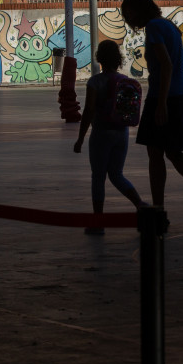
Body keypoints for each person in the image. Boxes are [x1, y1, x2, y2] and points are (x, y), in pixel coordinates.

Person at [119, 0, 183, 226]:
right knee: (172, 152)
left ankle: (159, 209)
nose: (126, 18)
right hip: (180, 95)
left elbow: (166, 65)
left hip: (165, 97)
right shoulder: (168, 26)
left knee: (155, 154)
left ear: (135, 10)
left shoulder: (154, 27)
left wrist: (161, 102)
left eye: (127, 13)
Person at [73, 40, 146, 235]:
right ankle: (140, 204)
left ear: (99, 59)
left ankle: (98, 222)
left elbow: (88, 110)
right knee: (116, 174)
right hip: (121, 133)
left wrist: (80, 138)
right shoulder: (124, 80)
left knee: (98, 177)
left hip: (101, 134)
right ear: (118, 59)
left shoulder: (95, 81)